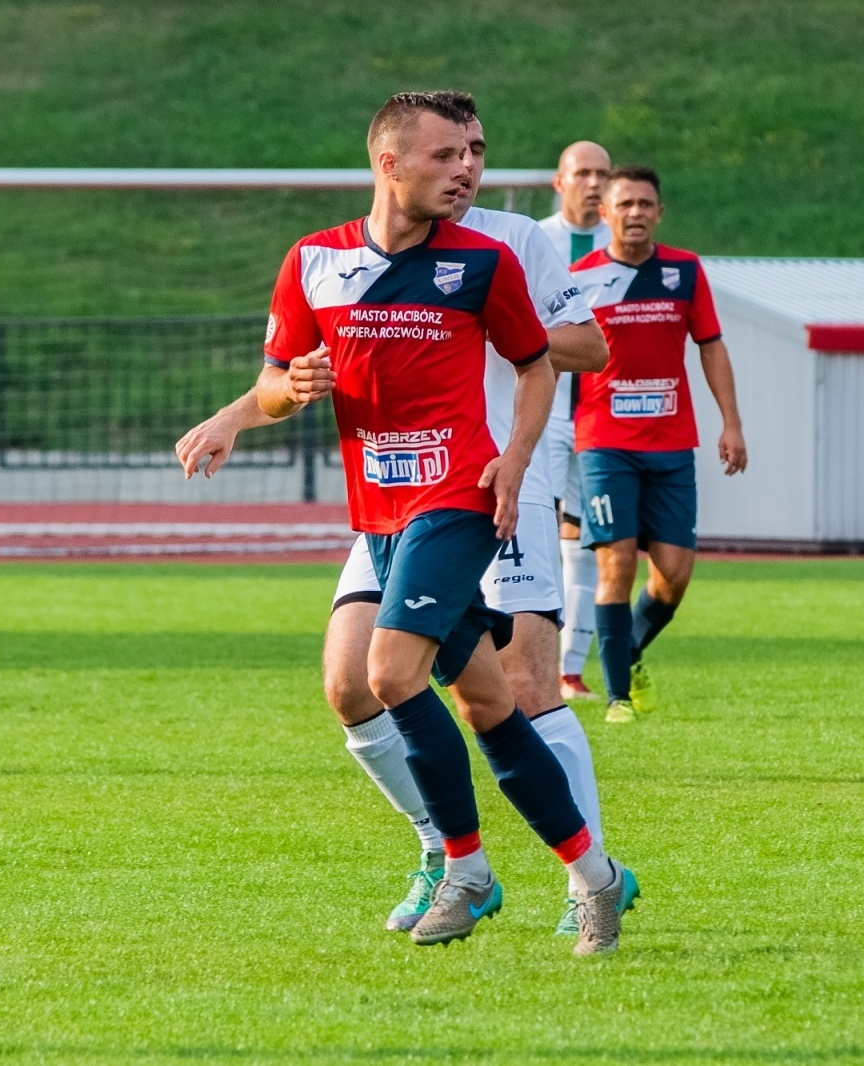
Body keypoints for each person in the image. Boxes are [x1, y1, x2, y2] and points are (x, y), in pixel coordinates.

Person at [179, 98, 634, 941]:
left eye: (475, 153)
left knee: (400, 675)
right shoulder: (313, 260)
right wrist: (250, 409)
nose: (466, 168)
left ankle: (463, 868)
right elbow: (280, 379)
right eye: (446, 154)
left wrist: (517, 462)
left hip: (465, 495)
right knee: (476, 699)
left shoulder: (492, 256)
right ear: (389, 164)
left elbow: (545, 360)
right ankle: (593, 872)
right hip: (380, 510)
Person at [568, 165, 747, 724]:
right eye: (625, 204)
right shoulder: (580, 277)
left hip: (672, 444)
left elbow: (711, 347)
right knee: (615, 564)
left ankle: (629, 651)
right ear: (605, 214)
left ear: (659, 213)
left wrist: (732, 423)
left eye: (646, 204)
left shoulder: (684, 271)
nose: (635, 213)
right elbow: (553, 353)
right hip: (605, 443)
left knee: (674, 574)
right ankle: (618, 697)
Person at [539, 140, 614, 701]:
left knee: (588, 543)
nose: (594, 183)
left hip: (599, 422)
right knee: (534, 532)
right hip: (542, 415)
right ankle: (530, 657)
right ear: (558, 182)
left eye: (602, 174)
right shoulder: (534, 240)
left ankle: (571, 671)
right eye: (582, 173)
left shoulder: (627, 247)